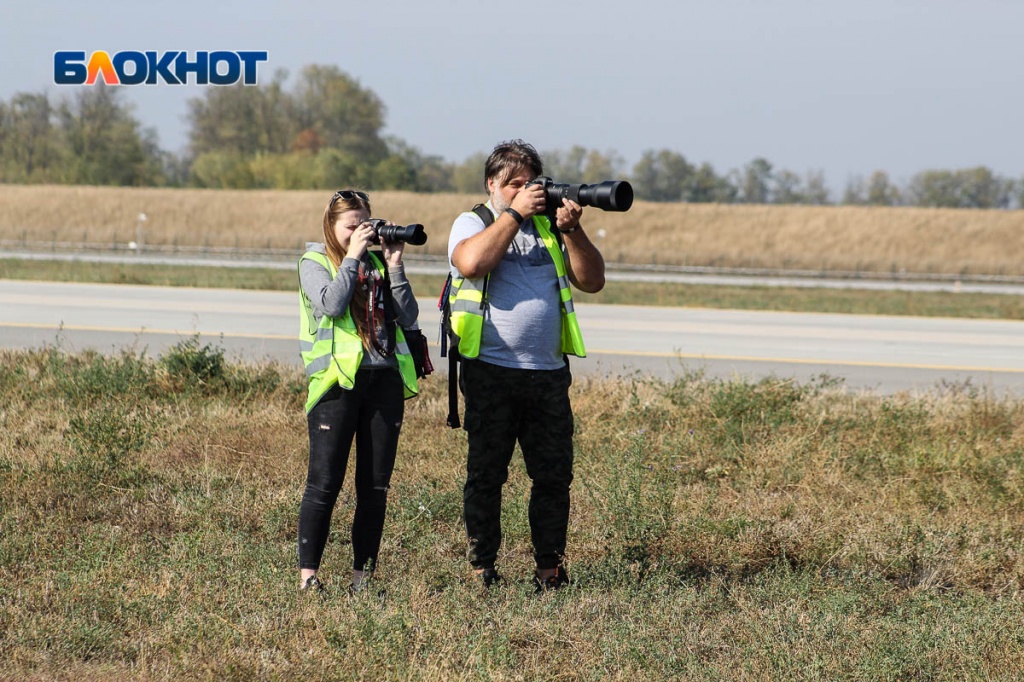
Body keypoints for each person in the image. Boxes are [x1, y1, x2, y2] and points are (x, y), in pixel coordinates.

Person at [446, 140, 606, 591]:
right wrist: (514, 215)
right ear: (491, 184)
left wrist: (572, 230)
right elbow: (471, 262)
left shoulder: (551, 228)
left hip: (547, 375)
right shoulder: (473, 221)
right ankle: (483, 567)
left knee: (554, 476)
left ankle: (549, 569)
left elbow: (593, 280)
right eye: (513, 184)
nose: (524, 191)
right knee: (487, 474)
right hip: (491, 371)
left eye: (530, 184)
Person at [297, 189, 420, 593]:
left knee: (374, 488)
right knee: (325, 482)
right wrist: (351, 257)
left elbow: (408, 316)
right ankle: (308, 577)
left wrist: (395, 265)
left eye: (365, 223)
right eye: (351, 226)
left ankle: (361, 579)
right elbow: (332, 305)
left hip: (382, 381)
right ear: (332, 228)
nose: (360, 232)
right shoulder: (315, 262)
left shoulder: (378, 264)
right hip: (338, 384)